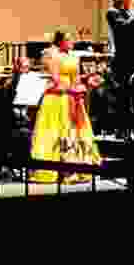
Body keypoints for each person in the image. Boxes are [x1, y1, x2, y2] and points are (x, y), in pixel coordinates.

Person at [29, 31, 102, 184]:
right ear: (60, 41)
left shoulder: (73, 56)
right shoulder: (51, 55)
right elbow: (55, 79)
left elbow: (75, 78)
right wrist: (72, 90)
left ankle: (78, 167)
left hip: (72, 97)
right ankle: (60, 169)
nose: (72, 42)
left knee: (76, 131)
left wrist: (85, 83)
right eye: (69, 39)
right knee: (58, 131)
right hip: (58, 97)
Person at [106, 0, 134, 141]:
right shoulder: (112, 12)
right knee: (123, 98)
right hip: (122, 62)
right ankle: (122, 130)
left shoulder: (131, 13)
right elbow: (123, 30)